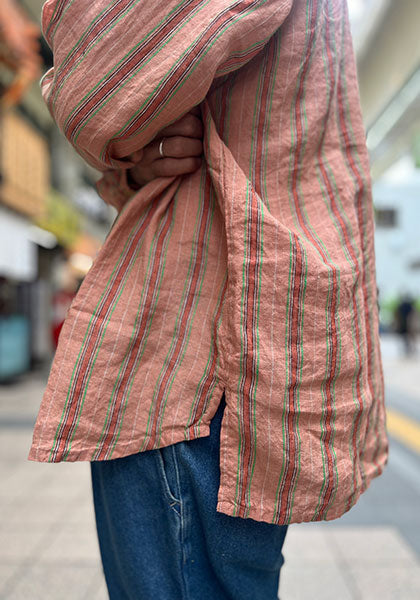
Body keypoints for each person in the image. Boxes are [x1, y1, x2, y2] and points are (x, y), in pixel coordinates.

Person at [29, 1, 388, 598]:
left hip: (196, 346)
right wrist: (138, 168)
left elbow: (97, 90)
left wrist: (72, 91)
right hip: (242, 335)